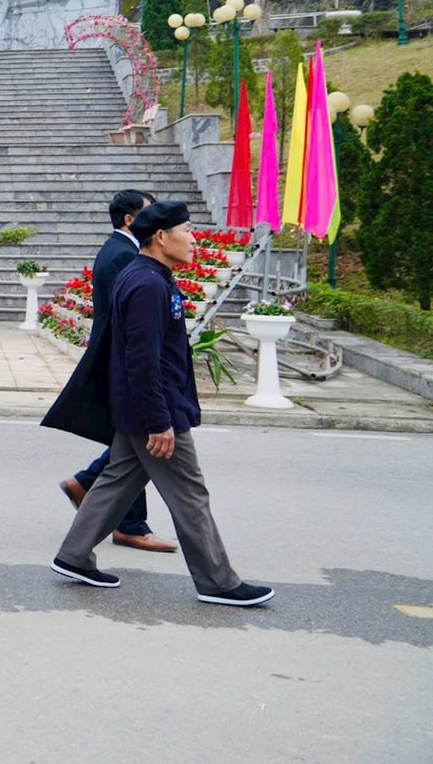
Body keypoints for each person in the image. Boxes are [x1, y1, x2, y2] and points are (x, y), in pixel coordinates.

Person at [51, 200, 275, 607]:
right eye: (187, 230)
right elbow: (142, 360)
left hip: (142, 406)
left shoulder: (147, 276)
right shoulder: (148, 284)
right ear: (161, 236)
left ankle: (74, 556)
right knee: (190, 493)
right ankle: (218, 582)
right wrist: (159, 421)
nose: (194, 239)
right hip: (153, 410)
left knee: (117, 480)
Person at [43, 189, 177, 554]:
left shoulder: (118, 250)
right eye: (151, 214)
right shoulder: (125, 256)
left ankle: (87, 486)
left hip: (122, 362)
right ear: (131, 220)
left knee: (128, 450)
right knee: (140, 446)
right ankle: (128, 524)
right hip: (126, 364)